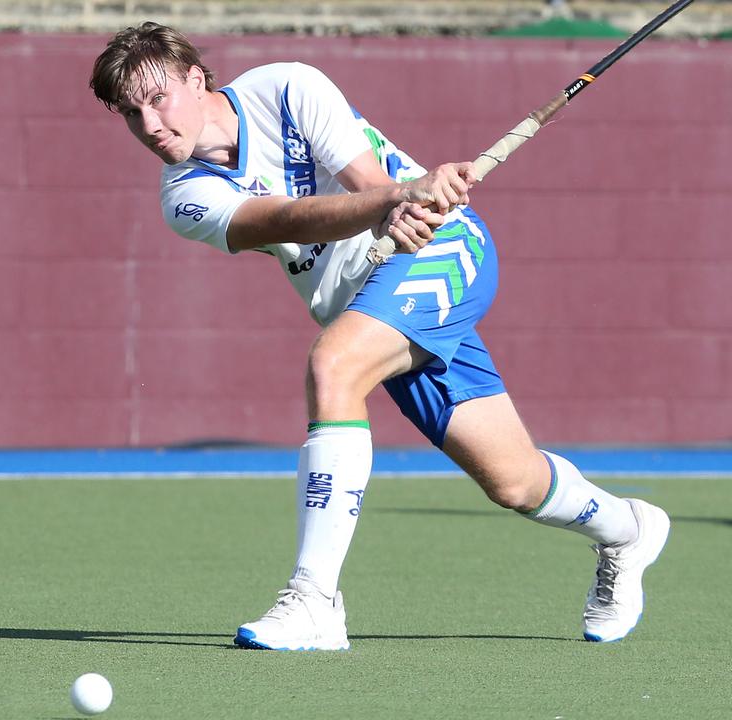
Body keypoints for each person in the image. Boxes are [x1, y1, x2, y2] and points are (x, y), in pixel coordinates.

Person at [90, 22, 669, 650]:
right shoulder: (186, 198)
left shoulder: (287, 88)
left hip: (441, 251)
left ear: (196, 78)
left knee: (333, 366)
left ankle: (314, 599)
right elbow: (283, 217)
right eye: (129, 112)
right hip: (370, 304)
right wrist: (396, 197)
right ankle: (627, 528)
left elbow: (374, 189)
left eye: (158, 98)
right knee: (515, 482)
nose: (148, 125)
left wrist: (404, 197)